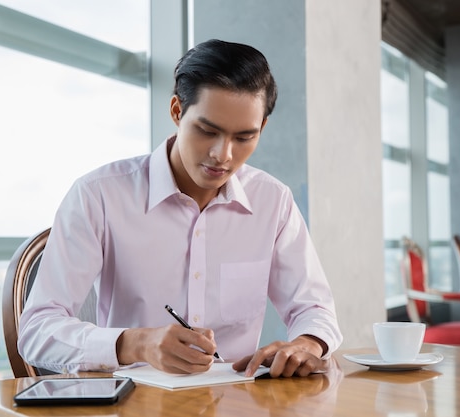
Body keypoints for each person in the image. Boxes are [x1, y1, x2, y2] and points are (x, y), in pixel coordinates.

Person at [18, 39, 342, 379]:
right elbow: (37, 330)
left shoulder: (273, 201)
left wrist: (306, 344)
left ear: (261, 129)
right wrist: (136, 344)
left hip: (238, 402)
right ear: (176, 111)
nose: (223, 154)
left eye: (244, 137)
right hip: (135, 404)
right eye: (207, 131)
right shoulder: (99, 195)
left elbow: (314, 308)